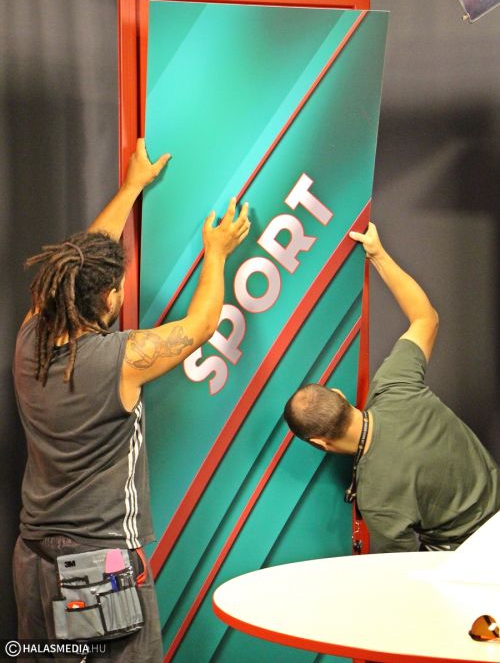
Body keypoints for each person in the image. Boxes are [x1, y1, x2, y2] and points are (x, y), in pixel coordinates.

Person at [12, 139, 250, 662]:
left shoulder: (31, 334)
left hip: (33, 557)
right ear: (107, 298)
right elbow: (200, 326)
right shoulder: (119, 360)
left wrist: (131, 187)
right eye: (117, 286)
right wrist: (216, 254)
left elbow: (84, 259)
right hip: (96, 568)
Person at [284, 222, 500, 552]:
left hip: (466, 557)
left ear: (319, 442)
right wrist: (378, 254)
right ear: (341, 396)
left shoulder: (376, 495)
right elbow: (426, 318)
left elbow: (399, 566)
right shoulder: (394, 385)